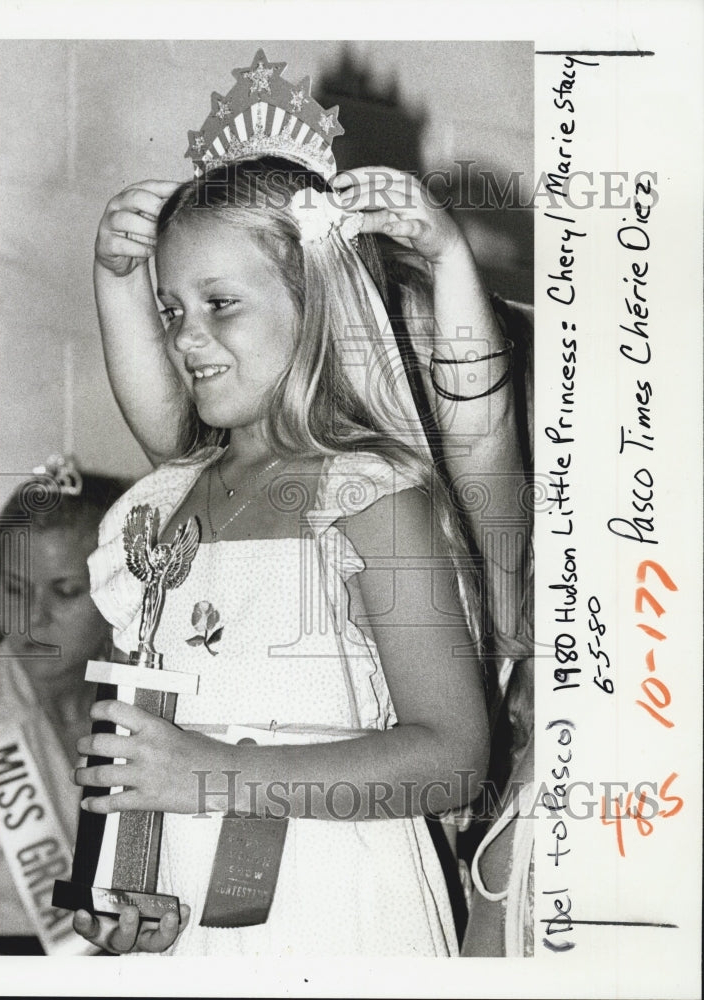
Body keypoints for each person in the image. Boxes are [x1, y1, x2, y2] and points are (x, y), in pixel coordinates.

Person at [71, 50, 529, 957]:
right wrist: (126, 881)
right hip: (190, 919)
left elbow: (450, 759)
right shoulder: (166, 507)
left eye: (219, 305)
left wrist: (212, 775)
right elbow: (143, 738)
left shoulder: (370, 499)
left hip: (338, 909)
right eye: (169, 311)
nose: (187, 339)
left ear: (313, 302)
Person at [0, 460, 164, 955]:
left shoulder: (143, 711)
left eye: (65, 592)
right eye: (15, 590)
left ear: (119, 592)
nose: (33, 617)